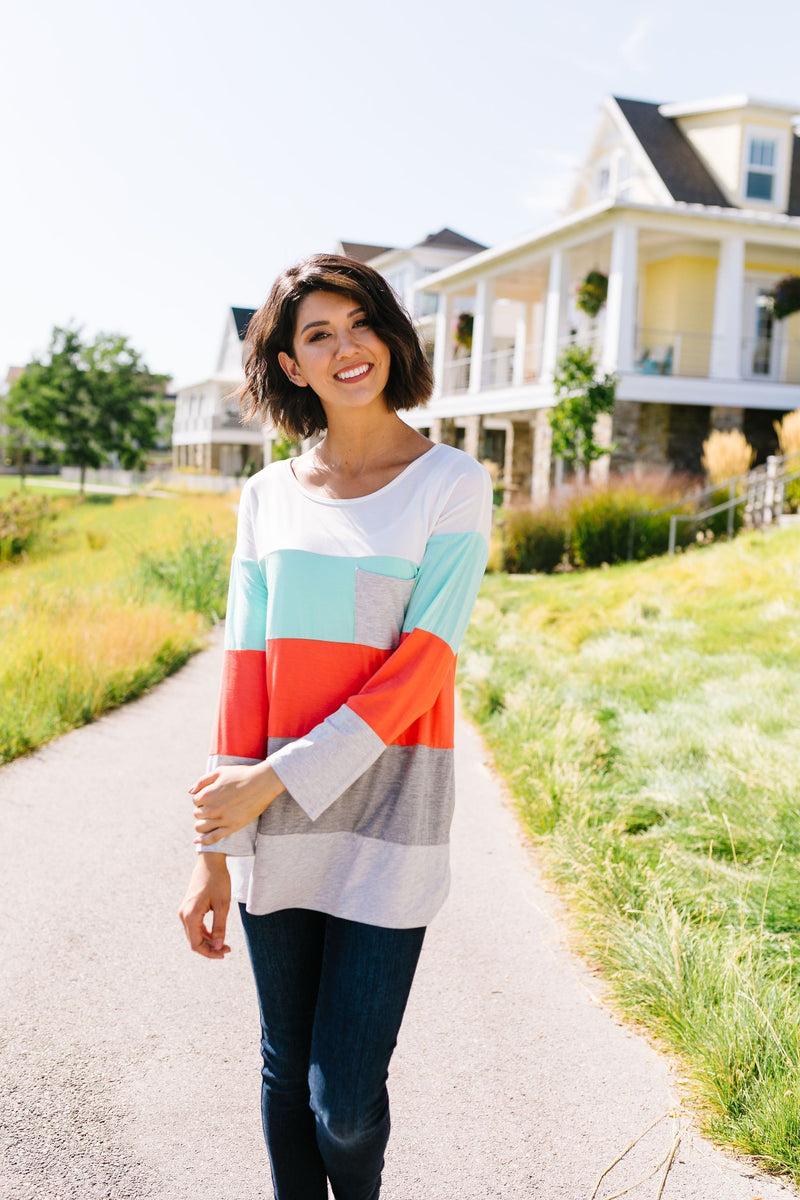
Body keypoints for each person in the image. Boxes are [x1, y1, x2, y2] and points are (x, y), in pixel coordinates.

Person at [179, 253, 492, 1200]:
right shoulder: (268, 496)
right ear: (291, 367)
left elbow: (421, 669)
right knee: (284, 1072)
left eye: (359, 323)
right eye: (318, 334)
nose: (346, 347)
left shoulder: (450, 482)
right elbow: (244, 674)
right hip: (277, 829)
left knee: (344, 1100)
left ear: (390, 334)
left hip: (392, 822)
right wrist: (214, 848)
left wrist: (270, 781)